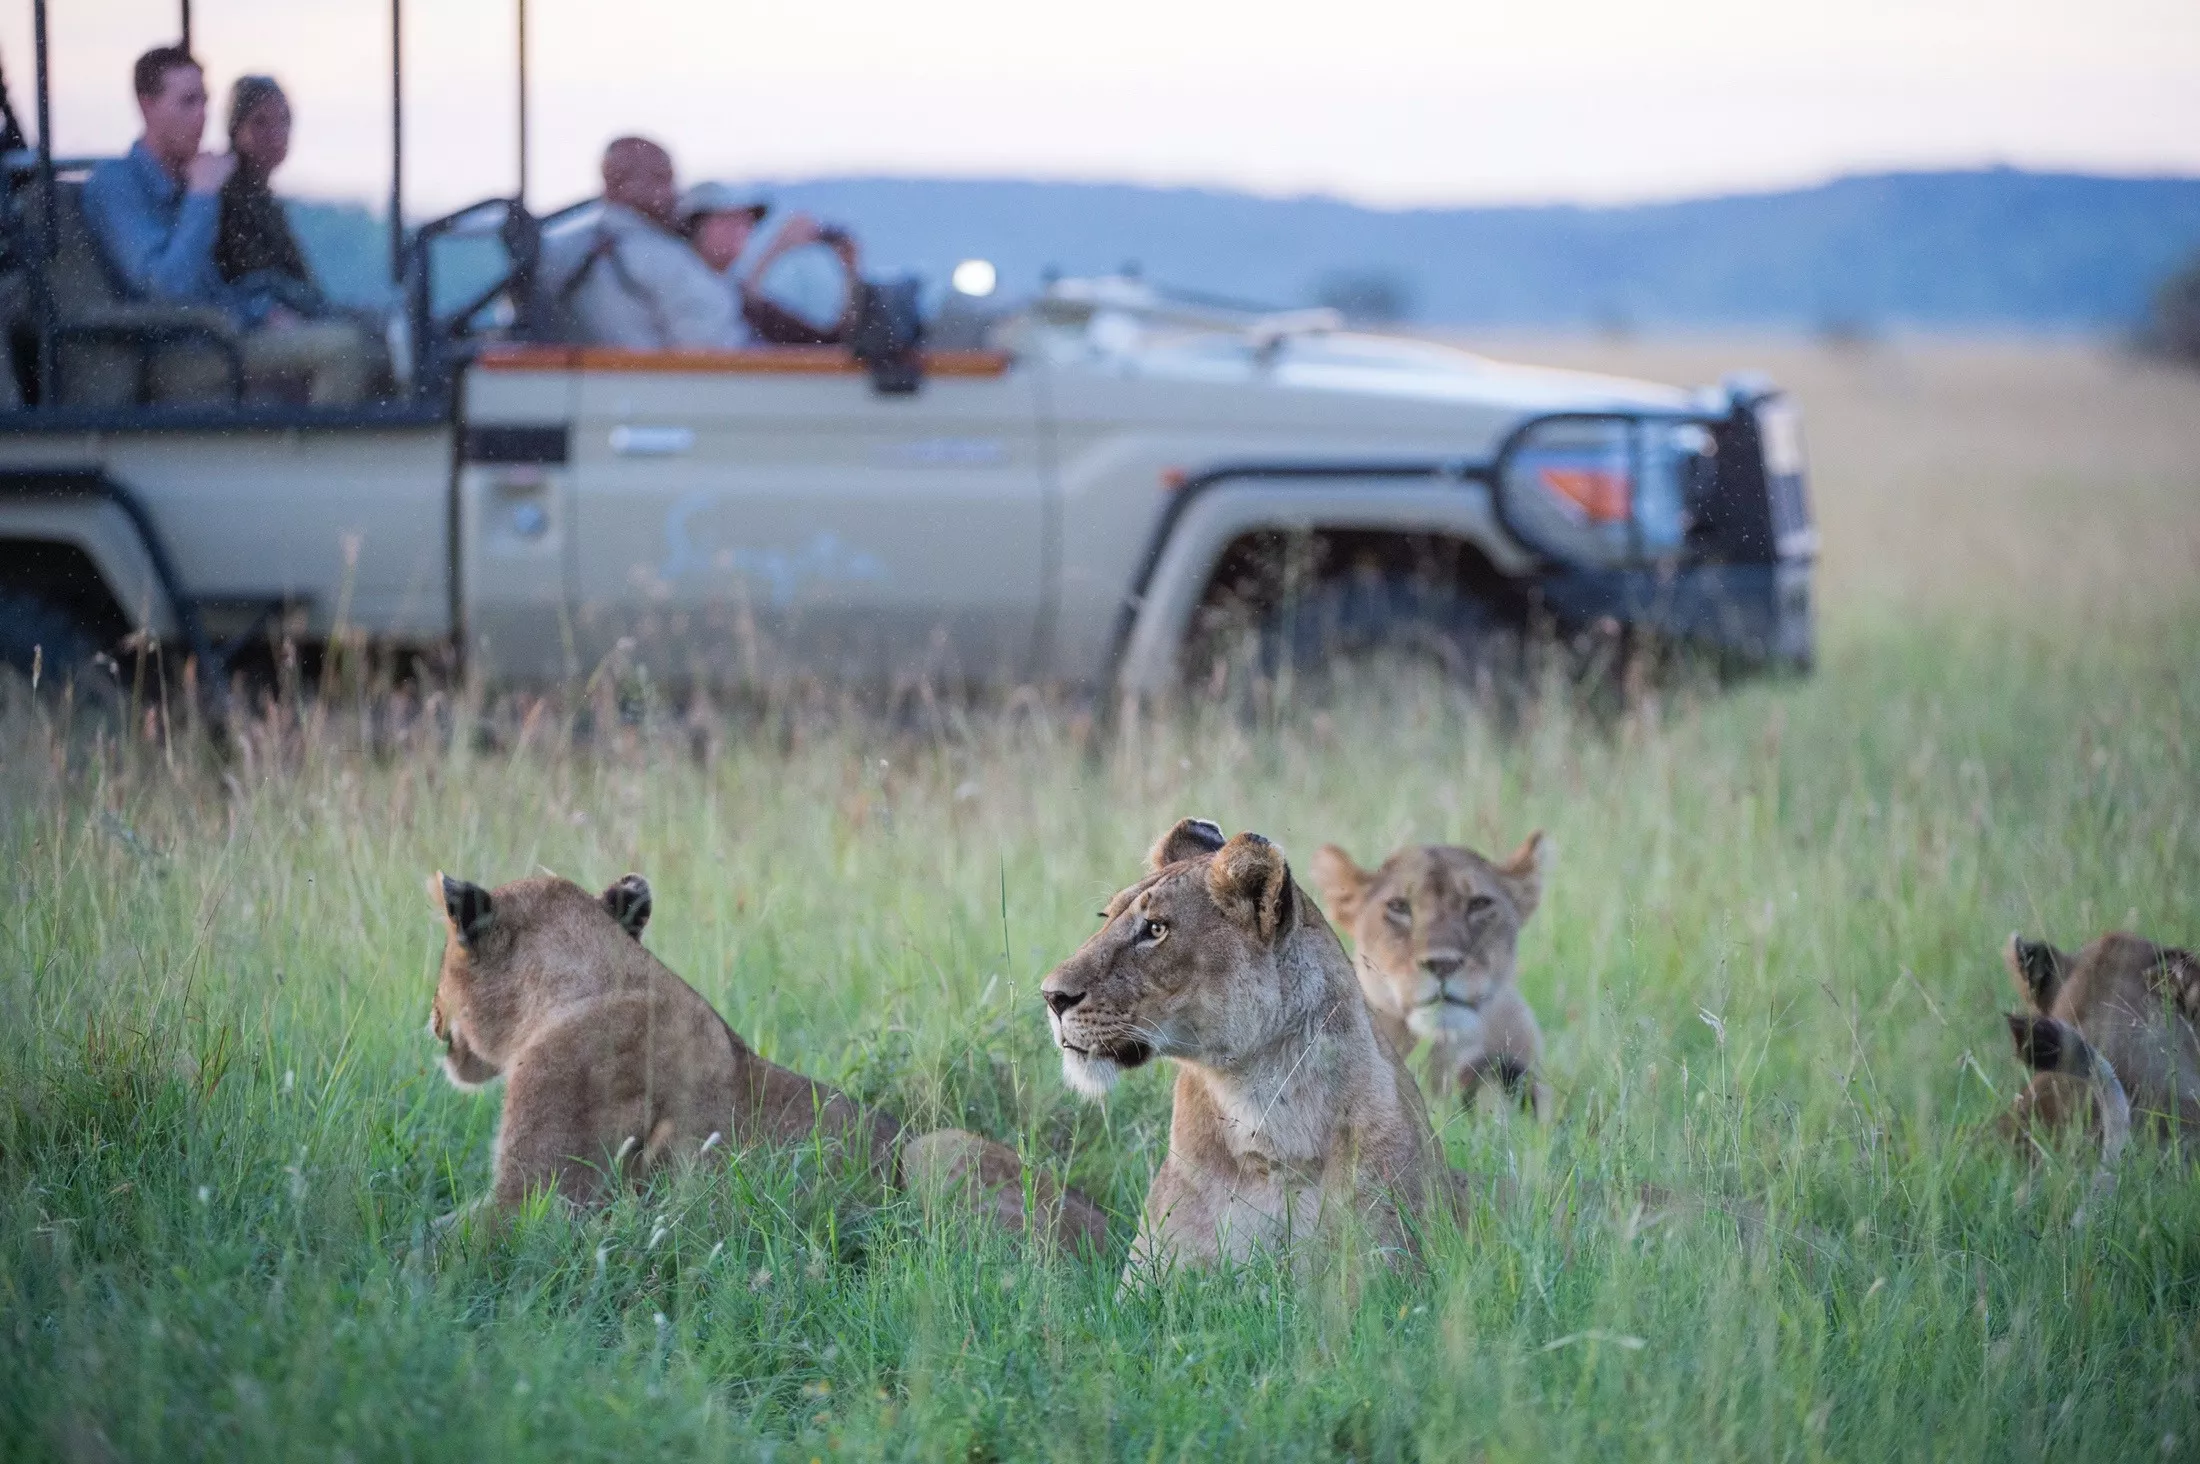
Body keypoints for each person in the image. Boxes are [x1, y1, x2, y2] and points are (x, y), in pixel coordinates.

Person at [82, 46, 372, 405]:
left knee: (360, 334)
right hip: (174, 355)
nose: (202, 116)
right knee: (341, 350)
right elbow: (166, 291)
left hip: (217, 339)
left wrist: (262, 311)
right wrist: (202, 197)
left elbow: (214, 291)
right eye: (187, 102)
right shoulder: (119, 184)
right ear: (147, 106)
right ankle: (322, 460)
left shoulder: (184, 182)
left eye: (204, 101)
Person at [542, 136, 749, 349]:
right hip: (657, 379)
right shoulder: (661, 258)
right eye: (661, 179)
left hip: (581, 377)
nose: (672, 193)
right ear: (619, 183)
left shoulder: (557, 250)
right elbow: (718, 347)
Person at [677, 182, 863, 346]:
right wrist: (778, 248)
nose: (738, 231)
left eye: (745, 222)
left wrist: (849, 272)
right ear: (693, 227)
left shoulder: (732, 287)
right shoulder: (683, 282)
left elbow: (821, 343)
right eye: (725, 220)